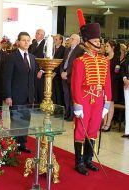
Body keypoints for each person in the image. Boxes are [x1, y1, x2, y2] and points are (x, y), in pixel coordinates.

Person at [71, 9, 112, 176]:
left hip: (99, 100)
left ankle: (88, 159)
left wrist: (107, 102)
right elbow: (75, 85)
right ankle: (78, 161)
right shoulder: (80, 61)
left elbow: (107, 83)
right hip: (84, 99)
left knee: (94, 128)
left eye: (99, 40)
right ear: (87, 42)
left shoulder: (104, 61)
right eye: (95, 40)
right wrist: (77, 104)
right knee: (81, 130)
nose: (99, 43)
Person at [4, 32, 38, 153]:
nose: (26, 42)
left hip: (28, 95)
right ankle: (14, 144)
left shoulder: (32, 57)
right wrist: (8, 95)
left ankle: (22, 143)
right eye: (23, 40)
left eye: (28, 40)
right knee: (16, 121)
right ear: (18, 42)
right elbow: (7, 78)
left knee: (25, 120)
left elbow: (33, 77)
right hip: (16, 95)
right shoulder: (12, 57)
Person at [60, 33, 84, 121]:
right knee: (66, 95)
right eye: (70, 39)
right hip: (64, 76)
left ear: (77, 41)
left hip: (72, 76)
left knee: (72, 96)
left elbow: (76, 65)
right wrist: (62, 71)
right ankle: (67, 112)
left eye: (72, 39)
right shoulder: (67, 49)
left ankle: (72, 114)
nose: (70, 40)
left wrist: (67, 73)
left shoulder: (80, 50)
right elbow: (63, 62)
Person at [28, 29, 46, 104]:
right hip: (32, 68)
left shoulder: (46, 44)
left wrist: (42, 70)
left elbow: (46, 58)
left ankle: (41, 105)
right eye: (36, 33)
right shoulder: (33, 44)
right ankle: (35, 104)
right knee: (33, 87)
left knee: (40, 88)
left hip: (40, 70)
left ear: (42, 35)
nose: (36, 34)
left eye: (38, 33)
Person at [52, 34, 65, 106]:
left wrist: (55, 72)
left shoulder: (63, 49)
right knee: (52, 91)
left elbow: (61, 62)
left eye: (56, 39)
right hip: (50, 72)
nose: (54, 41)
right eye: (54, 39)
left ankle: (59, 108)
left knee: (58, 91)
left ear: (60, 40)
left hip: (58, 74)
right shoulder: (51, 48)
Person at [120, 48, 129, 138]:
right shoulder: (127, 57)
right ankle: (127, 131)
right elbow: (122, 69)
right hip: (127, 85)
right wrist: (125, 79)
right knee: (128, 108)